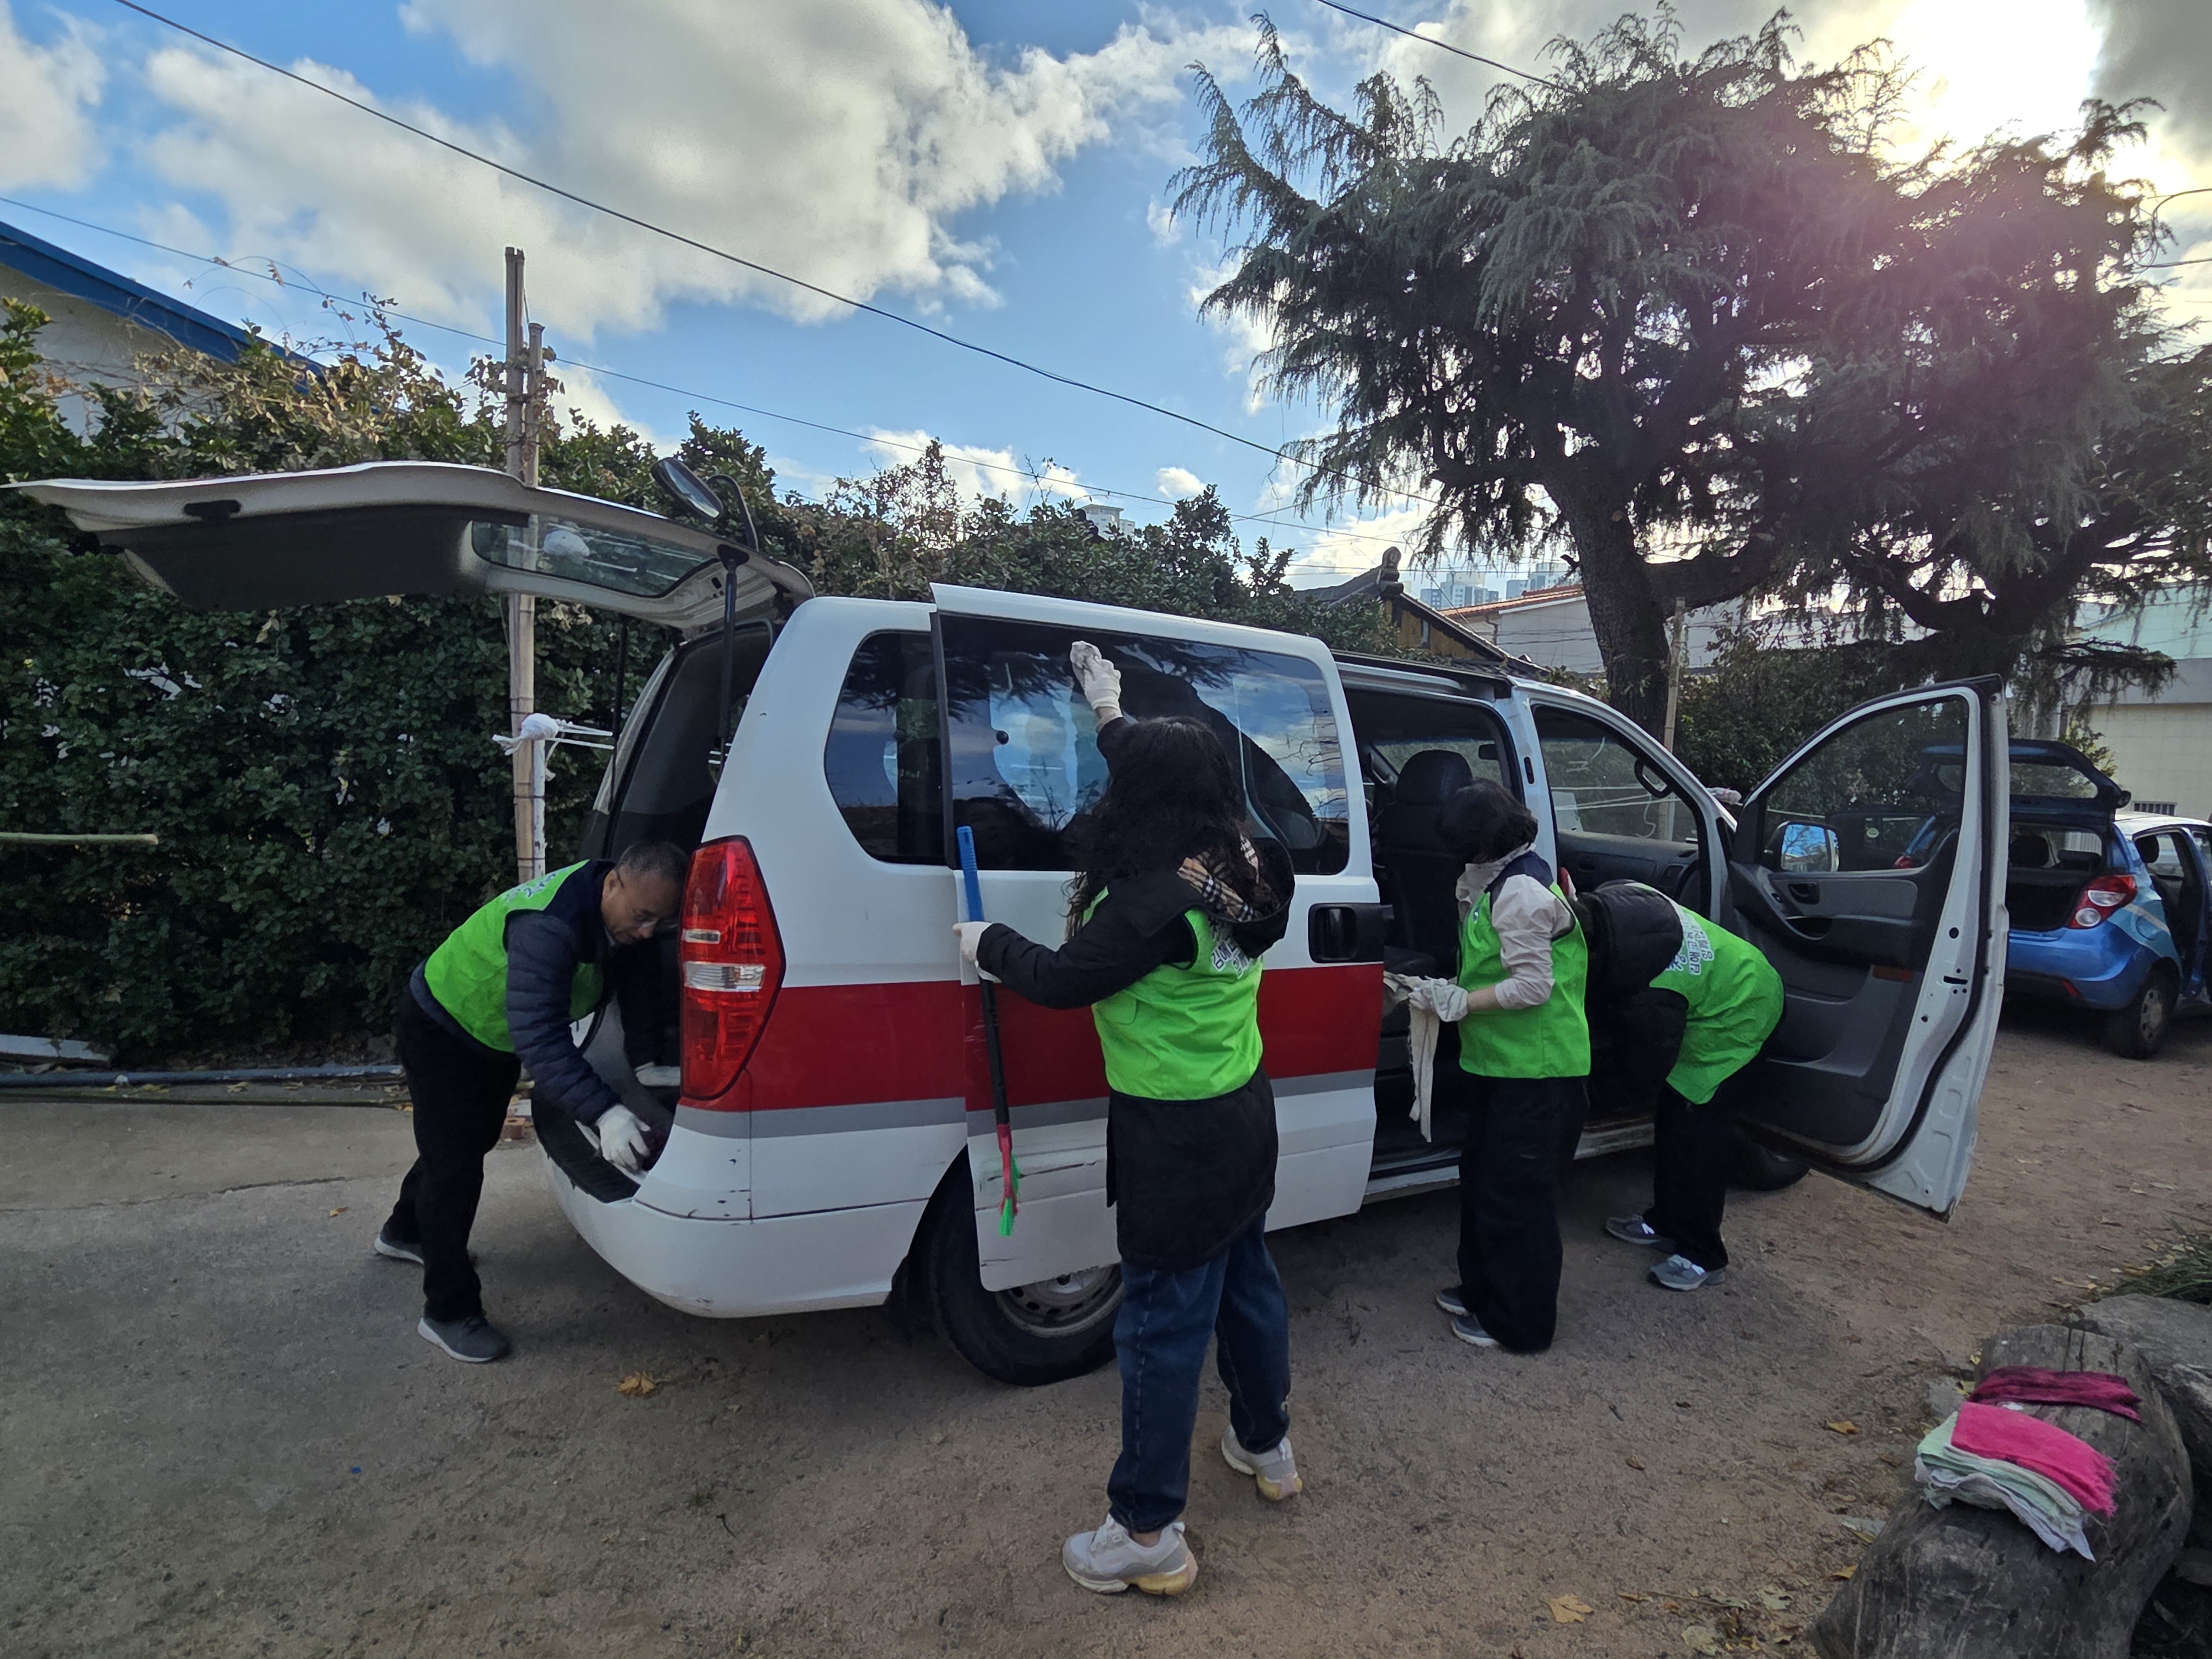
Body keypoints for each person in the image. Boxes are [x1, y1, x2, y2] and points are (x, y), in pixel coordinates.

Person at [953, 641, 1300, 1599]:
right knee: (1248, 1285)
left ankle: (1146, 1528)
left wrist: (991, 944)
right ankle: (1267, 1445)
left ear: (1138, 801)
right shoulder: (1253, 863)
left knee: (1158, 1327)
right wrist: (1108, 710)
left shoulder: (1150, 906)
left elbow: (1064, 980)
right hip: (1245, 1114)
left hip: (1176, 1140)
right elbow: (1164, 771)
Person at [378, 842, 688, 1361]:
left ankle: (404, 1230)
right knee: (454, 1168)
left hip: (493, 1035)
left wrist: (647, 1069)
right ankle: (448, 1311)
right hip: (443, 1025)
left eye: (661, 920)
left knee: (462, 1140)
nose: (647, 931)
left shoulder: (623, 915)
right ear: (613, 884)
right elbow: (541, 1039)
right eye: (641, 916)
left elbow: (636, 991)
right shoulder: (549, 927)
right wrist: (605, 1113)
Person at [1398, 781, 1590, 1354]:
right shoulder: (1494, 883)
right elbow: (1493, 964)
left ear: (1482, 843)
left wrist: (1464, 1003)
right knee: (1483, 1179)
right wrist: (1449, 989)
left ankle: (1520, 1323)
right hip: (1503, 1066)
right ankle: (1482, 1288)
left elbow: (1533, 985)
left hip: (1541, 1071)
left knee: (1519, 1198)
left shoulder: (1521, 893)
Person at [1584, 881, 1785, 1292]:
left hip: (1743, 1009)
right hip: (1717, 993)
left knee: (1698, 1135)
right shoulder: (1617, 900)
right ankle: (1664, 1221)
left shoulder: (1652, 992)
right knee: (1673, 1122)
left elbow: (1642, 1070)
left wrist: (1589, 1100)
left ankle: (1703, 1254)